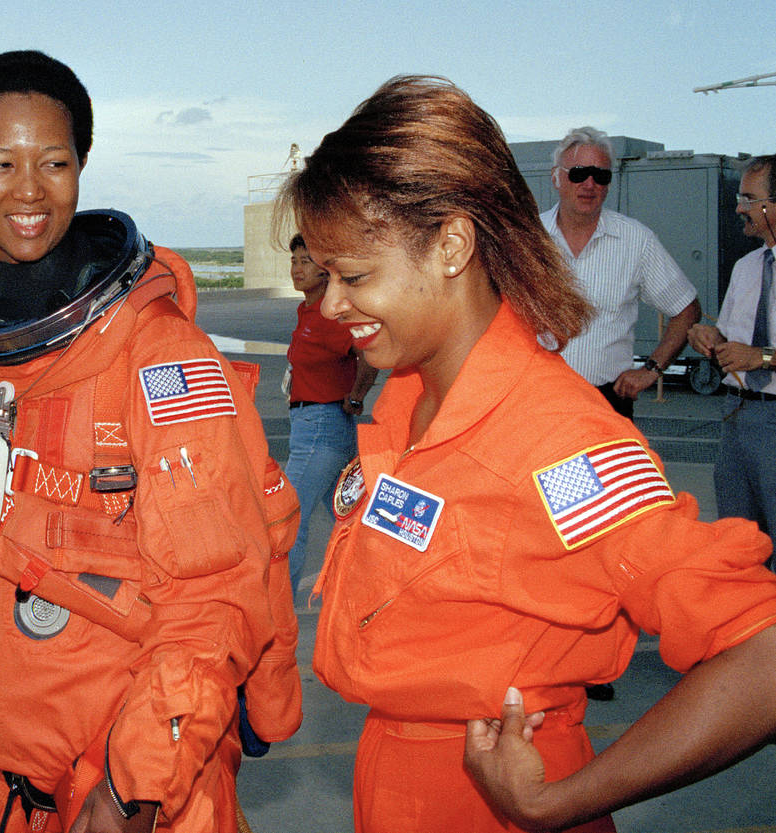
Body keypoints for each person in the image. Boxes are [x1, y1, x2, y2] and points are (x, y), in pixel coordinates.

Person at [275, 75, 776, 833]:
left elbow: (763, 655)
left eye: (353, 276)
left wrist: (559, 800)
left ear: (450, 244)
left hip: (490, 799)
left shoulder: (562, 444)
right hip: (393, 781)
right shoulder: (407, 395)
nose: (331, 304)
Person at [0, 50, 298, 833]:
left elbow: (215, 594)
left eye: (53, 162)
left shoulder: (162, 356)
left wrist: (130, 787)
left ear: (82, 163)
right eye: (1, 164)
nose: (28, 190)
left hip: (135, 791)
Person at [544, 126, 701, 420]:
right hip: (536, 403)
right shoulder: (528, 238)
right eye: (578, 173)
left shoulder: (636, 240)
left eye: (600, 175)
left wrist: (651, 370)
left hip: (606, 405)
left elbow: (686, 309)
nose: (589, 184)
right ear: (556, 177)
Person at [688, 155, 776, 571]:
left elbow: (756, 353)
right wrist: (710, 340)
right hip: (737, 417)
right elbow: (730, 343)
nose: (739, 207)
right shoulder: (746, 268)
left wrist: (762, 357)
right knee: (738, 544)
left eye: (749, 198)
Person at [284, 233, 377, 596]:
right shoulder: (306, 311)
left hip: (322, 427)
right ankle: (365, 594)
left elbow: (366, 352)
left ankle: (280, 610)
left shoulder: (327, 315)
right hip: (311, 427)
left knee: (290, 516)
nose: (297, 269)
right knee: (349, 518)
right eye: (294, 261)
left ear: (324, 271)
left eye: (306, 261)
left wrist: (356, 397)